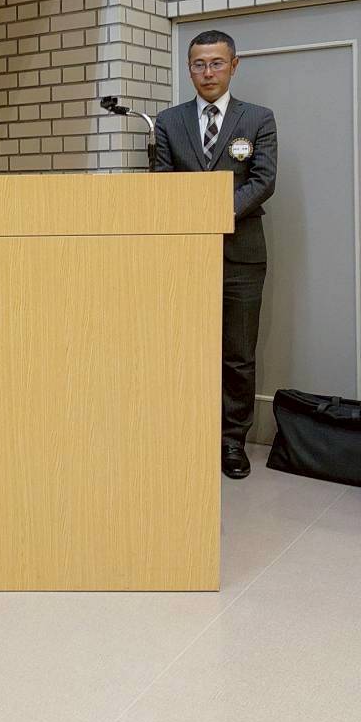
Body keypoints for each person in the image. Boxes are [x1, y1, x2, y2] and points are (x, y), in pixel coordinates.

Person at [154, 29, 277, 480]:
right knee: (186, 349)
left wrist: (215, 213)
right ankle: (190, 432)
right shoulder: (169, 121)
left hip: (242, 255)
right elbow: (162, 181)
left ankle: (231, 441)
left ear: (233, 66)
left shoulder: (258, 118)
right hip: (184, 255)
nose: (208, 72)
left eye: (217, 63)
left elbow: (263, 180)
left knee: (238, 354)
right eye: (199, 64)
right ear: (189, 69)